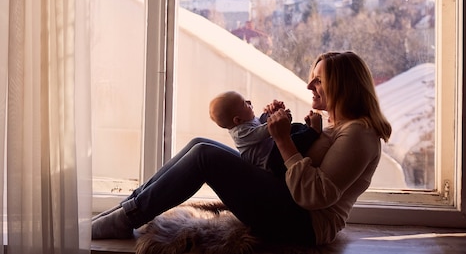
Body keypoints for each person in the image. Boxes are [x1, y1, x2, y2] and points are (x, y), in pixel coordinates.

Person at [91, 51, 392, 246]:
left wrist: (285, 140)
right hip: (288, 206)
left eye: (319, 80)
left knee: (205, 157)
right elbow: (297, 167)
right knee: (201, 145)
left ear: (343, 86)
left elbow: (315, 196)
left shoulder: (359, 134)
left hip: (305, 226)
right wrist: (285, 132)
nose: (309, 86)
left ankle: (125, 218)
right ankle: (125, 210)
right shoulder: (338, 126)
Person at [209, 91, 322, 177]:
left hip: (272, 148)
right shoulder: (240, 134)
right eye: (245, 104)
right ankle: (313, 131)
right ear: (237, 120)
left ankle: (306, 128)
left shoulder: (246, 122)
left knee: (294, 128)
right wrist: (279, 118)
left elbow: (261, 122)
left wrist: (272, 112)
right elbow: (264, 130)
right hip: (271, 162)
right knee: (294, 140)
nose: (249, 102)